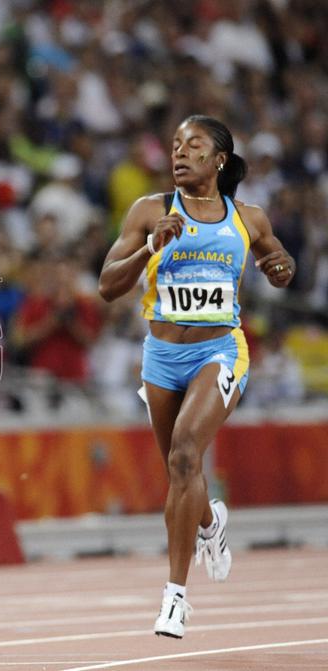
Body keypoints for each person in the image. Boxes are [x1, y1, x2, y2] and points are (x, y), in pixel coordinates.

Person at [98, 115, 295, 639]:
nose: (180, 153)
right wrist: (148, 248)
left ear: (219, 160)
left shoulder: (246, 217)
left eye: (194, 145)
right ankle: (209, 521)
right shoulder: (150, 210)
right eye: (175, 145)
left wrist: (281, 266)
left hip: (220, 349)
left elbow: (276, 258)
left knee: (187, 453)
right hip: (161, 356)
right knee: (177, 471)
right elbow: (106, 286)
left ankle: (175, 598)